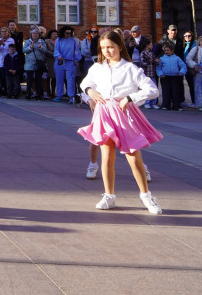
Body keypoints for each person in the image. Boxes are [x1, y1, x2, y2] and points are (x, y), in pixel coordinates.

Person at [77, 30, 163, 214]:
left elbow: (152, 89)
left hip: (123, 114)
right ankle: (109, 196)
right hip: (104, 112)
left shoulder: (130, 68)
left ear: (119, 47)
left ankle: (146, 196)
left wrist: (130, 97)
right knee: (107, 157)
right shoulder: (97, 67)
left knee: (133, 157)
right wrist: (90, 92)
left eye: (111, 47)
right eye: (103, 48)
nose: (107, 51)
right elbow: (85, 83)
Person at [156, 43, 187, 111]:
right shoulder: (162, 58)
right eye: (165, 50)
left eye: (168, 50)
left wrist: (181, 72)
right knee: (166, 91)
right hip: (165, 77)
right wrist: (160, 74)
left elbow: (183, 66)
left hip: (175, 77)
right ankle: (166, 105)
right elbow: (158, 68)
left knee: (175, 92)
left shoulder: (177, 58)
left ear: (172, 50)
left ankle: (177, 105)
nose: (166, 52)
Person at [53, 26, 79, 103]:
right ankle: (59, 95)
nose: (68, 34)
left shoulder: (73, 40)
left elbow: (76, 50)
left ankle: (71, 96)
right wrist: (58, 56)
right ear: (63, 33)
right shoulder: (59, 39)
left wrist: (76, 59)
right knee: (59, 79)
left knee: (70, 79)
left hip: (70, 61)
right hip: (60, 62)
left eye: (70, 33)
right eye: (67, 33)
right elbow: (56, 49)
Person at [23, 27, 48, 100]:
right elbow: (24, 50)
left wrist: (41, 48)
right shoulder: (28, 41)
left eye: (36, 33)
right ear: (31, 34)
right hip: (29, 63)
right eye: (33, 33)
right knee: (29, 80)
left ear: (39, 34)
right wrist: (30, 47)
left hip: (38, 62)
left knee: (38, 79)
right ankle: (28, 94)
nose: (35, 34)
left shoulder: (42, 42)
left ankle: (39, 94)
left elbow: (45, 51)